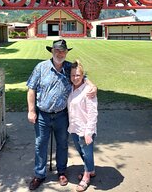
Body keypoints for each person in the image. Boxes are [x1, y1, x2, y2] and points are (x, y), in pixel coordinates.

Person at [26, 39, 97, 190]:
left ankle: (62, 172)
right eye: (57, 50)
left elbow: (82, 77)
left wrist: (93, 85)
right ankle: (39, 174)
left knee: (62, 144)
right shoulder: (41, 67)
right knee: (40, 145)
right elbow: (31, 88)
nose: (60, 53)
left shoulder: (68, 67)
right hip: (42, 115)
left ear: (66, 52)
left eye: (63, 51)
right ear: (52, 51)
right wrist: (31, 110)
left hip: (61, 115)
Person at [68, 60, 98, 192]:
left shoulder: (88, 90)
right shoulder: (71, 87)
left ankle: (86, 177)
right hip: (74, 127)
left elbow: (93, 113)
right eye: (73, 75)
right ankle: (90, 170)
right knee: (82, 152)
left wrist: (89, 132)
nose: (75, 78)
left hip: (85, 129)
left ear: (83, 75)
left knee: (87, 153)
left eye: (78, 75)